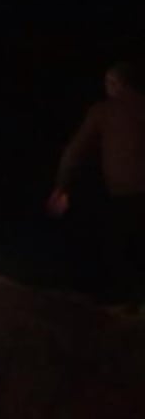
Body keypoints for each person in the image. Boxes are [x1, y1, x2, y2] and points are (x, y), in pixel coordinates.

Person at [47, 60, 145, 308]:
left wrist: (61, 187)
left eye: (107, 82)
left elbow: (74, 153)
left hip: (124, 194)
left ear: (116, 83)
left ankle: (128, 310)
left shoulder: (103, 111)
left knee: (122, 254)